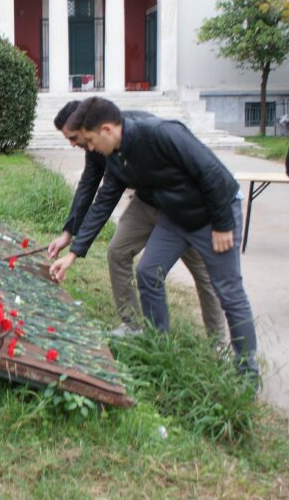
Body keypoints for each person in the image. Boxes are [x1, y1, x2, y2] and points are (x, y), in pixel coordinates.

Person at [50, 97, 258, 375]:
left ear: (107, 130)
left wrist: (222, 224)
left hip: (212, 214)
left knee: (229, 292)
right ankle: (158, 345)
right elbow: (102, 201)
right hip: (174, 214)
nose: (89, 149)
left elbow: (211, 172)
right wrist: (74, 251)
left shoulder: (161, 132)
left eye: (88, 141)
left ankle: (246, 372)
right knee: (148, 272)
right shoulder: (115, 156)